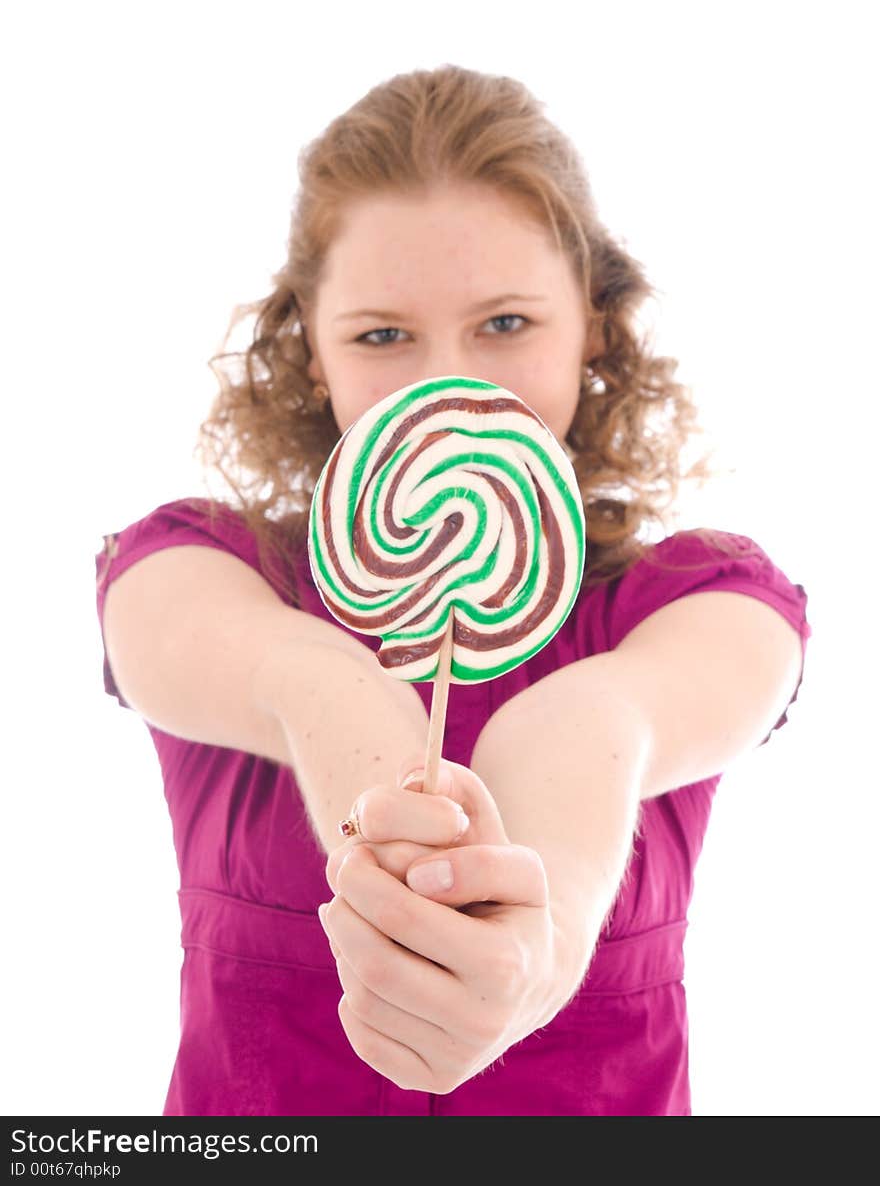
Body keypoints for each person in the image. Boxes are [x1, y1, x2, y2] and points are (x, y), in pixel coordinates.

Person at [94, 63, 811, 1116]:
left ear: (595, 329)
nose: (445, 382)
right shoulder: (202, 573)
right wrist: (347, 727)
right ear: (308, 351)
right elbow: (301, 677)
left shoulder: (700, 604)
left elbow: (593, 717)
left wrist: (547, 933)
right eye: (383, 335)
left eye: (506, 324)